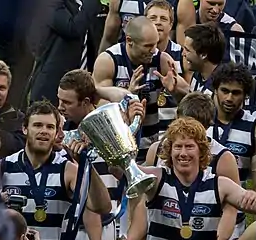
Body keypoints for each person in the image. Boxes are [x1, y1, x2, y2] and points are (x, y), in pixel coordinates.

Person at [109, 117, 256, 240]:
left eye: (189, 146)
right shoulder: (157, 178)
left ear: (201, 151)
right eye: (177, 147)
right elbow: (119, 170)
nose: (183, 153)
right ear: (170, 151)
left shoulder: (219, 185)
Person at [58, 69, 145, 240]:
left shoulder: (112, 124)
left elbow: (128, 98)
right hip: (69, 221)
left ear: (86, 101)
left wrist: (95, 89)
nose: (60, 107)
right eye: (59, 100)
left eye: (66, 102)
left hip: (105, 220)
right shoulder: (60, 128)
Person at [142, 92, 239, 240]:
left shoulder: (222, 156)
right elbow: (140, 200)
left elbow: (231, 209)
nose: (184, 149)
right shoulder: (158, 148)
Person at [1, 100, 112, 240]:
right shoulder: (5, 166)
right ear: (24, 129)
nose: (44, 131)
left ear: (56, 132)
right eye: (37, 125)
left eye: (50, 127)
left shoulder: (67, 169)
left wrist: (86, 165)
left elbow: (103, 207)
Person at [93, 16, 188, 162]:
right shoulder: (108, 61)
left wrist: (175, 90)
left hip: (149, 145)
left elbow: (190, 100)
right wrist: (127, 98)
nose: (153, 50)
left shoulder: (162, 60)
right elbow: (99, 107)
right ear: (129, 41)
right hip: (117, 144)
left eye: (156, 44)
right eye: (148, 46)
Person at [210, 62, 256, 240]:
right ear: (215, 89)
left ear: (245, 95)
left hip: (234, 216)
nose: (229, 98)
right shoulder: (199, 121)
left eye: (236, 93)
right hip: (196, 210)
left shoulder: (255, 130)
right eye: (224, 90)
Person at [29, 0, 102, 106]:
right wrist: (91, 4)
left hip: (84, 84)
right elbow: (72, 29)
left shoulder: (88, 6)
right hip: (52, 86)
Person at [144, 0, 185, 139]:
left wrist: (177, 88)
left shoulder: (183, 55)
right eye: (153, 18)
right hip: (143, 133)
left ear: (171, 24)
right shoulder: (133, 55)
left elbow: (192, 95)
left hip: (176, 132)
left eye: (163, 18)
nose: (158, 22)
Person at [176, 0, 244, 45]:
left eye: (220, 4)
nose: (215, 10)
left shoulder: (234, 29)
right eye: (211, 3)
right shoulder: (187, 19)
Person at [184, 23, 226, 96]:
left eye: (187, 50)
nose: (183, 54)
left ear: (203, 55)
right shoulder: (198, 74)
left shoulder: (221, 87)